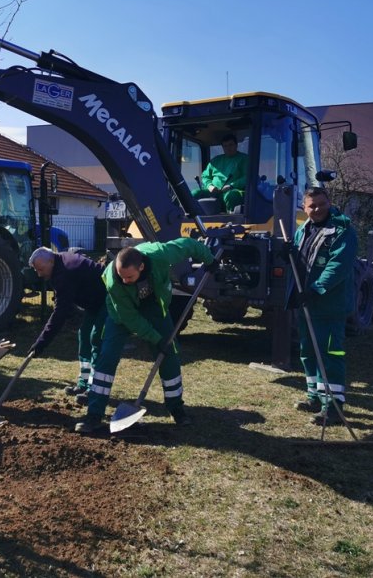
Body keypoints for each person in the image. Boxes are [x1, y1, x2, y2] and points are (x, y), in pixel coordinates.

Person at [75, 238, 216, 434]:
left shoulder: (159, 254)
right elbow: (129, 318)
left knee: (170, 355)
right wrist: (156, 339)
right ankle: (94, 414)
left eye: (129, 277)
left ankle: (177, 409)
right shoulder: (113, 280)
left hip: (155, 309)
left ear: (141, 266)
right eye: (121, 276)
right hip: (121, 314)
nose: (124, 280)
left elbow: (188, 245)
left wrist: (209, 259)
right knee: (106, 357)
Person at [290, 187, 358, 426]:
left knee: (329, 354)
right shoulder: (303, 229)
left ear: (329, 203)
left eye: (321, 204)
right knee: (308, 351)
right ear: (304, 208)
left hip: (329, 304)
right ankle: (315, 397)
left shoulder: (342, 231)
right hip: (307, 304)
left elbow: (337, 266)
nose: (316, 209)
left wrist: (316, 289)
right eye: (311, 206)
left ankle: (334, 406)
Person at [28, 247, 108, 397]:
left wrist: (41, 343)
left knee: (96, 338)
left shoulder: (66, 270)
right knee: (84, 335)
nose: (39, 274)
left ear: (51, 261)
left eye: (41, 269)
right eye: (36, 270)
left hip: (108, 299)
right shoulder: (58, 265)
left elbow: (60, 313)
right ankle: (83, 383)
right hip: (93, 303)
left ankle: (94, 388)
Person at [191, 133, 247, 212]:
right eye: (225, 146)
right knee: (194, 193)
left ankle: (232, 220)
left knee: (231, 196)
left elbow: (248, 177)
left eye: (230, 145)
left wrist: (231, 185)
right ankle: (195, 219)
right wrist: (210, 186)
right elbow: (205, 176)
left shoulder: (244, 159)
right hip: (214, 193)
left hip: (234, 191)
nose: (228, 148)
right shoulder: (216, 160)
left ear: (236, 145)